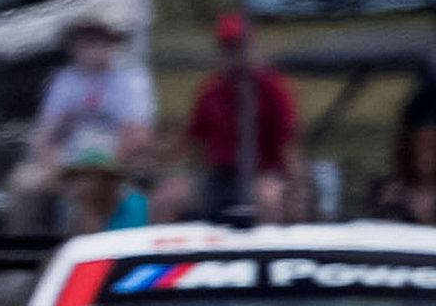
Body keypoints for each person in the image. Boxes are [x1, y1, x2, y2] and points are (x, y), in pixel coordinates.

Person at [184, 13, 300, 224]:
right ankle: (172, 256)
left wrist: (294, 188)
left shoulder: (272, 88)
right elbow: (195, 144)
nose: (233, 54)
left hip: (263, 173)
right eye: (228, 47)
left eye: (238, 47)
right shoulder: (211, 91)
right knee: (168, 197)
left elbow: (287, 144)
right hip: (219, 176)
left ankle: (267, 254)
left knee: (268, 198)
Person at [32, 16, 155, 179]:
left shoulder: (131, 80)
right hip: (67, 164)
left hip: (118, 163)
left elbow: (138, 136)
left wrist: (101, 166)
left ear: (111, 43)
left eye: (99, 40)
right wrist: (50, 164)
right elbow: (46, 132)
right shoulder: (63, 81)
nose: (93, 48)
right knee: (24, 184)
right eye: (86, 42)